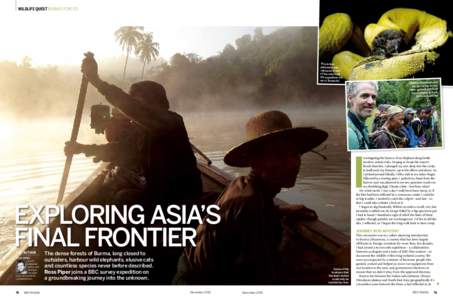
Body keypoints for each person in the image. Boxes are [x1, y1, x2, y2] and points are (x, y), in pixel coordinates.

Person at [172, 110, 328, 284]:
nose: (293, 163)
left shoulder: (243, 185)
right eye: (280, 155)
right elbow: (262, 278)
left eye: (295, 154)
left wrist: (278, 211)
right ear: (255, 161)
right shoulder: (250, 203)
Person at [65, 53, 203, 208]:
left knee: (123, 199)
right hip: (160, 193)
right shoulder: (141, 129)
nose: (128, 109)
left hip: (182, 197)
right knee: (118, 191)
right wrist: (81, 148)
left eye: (138, 100)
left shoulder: (171, 121)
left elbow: (134, 108)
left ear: (154, 102)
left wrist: (95, 80)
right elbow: (120, 150)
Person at [346, 81, 377, 150]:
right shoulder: (350, 134)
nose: (371, 101)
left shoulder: (359, 124)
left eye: (373, 97)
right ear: (350, 99)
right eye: (365, 96)